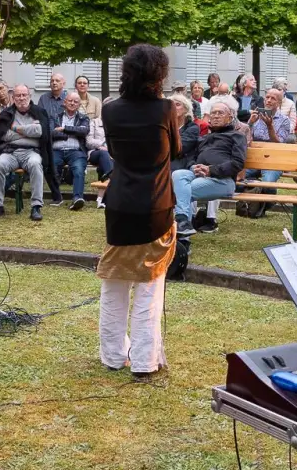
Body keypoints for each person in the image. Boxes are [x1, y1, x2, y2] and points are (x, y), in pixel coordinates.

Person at [97, 44, 180, 376]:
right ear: (159, 76)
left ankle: (113, 356)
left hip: (118, 203)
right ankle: (145, 362)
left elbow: (115, 152)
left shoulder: (110, 110)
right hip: (155, 205)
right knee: (149, 285)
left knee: (114, 282)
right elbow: (175, 148)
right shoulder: (165, 109)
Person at [173, 95, 246, 235]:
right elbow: (192, 158)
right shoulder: (205, 137)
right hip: (197, 175)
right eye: (213, 113)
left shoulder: (237, 136)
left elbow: (238, 163)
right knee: (178, 174)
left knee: (182, 191)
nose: (216, 116)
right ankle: (183, 223)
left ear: (230, 117)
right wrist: (193, 166)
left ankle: (182, 234)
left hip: (222, 180)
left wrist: (210, 170)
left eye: (220, 113)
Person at [0, 84, 59, 221]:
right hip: (11, 152)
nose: (21, 98)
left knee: (35, 164)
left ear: (29, 96)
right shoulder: (7, 114)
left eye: (24, 95)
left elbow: (40, 132)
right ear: (13, 97)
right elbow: (4, 135)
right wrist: (29, 132)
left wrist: (15, 128)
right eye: (18, 95)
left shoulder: (39, 112)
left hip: (31, 152)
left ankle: (36, 206)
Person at [51, 90, 92, 210]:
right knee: (52, 167)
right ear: (65, 102)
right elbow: (50, 132)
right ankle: (57, 197)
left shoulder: (83, 117)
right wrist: (69, 134)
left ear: (79, 105)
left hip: (76, 151)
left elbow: (84, 131)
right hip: (56, 150)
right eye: (70, 100)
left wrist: (63, 129)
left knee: (79, 169)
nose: (72, 103)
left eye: (76, 101)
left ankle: (77, 198)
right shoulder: (55, 116)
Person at [169, 93, 202, 171]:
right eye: (171, 105)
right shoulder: (165, 127)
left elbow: (180, 147)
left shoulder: (192, 127)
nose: (173, 107)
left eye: (177, 104)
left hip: (180, 164)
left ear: (186, 109)